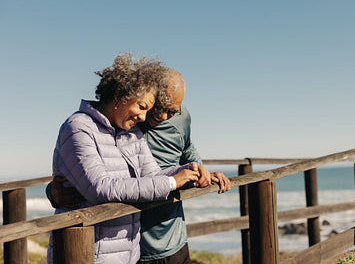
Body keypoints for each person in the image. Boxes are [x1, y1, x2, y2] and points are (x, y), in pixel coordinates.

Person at [49, 66, 231, 264]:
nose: (153, 117)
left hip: (137, 248)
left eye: (172, 111)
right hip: (94, 250)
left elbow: (159, 169)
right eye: (147, 107)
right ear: (121, 96)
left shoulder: (132, 130)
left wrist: (194, 173)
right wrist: (52, 192)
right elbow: (98, 186)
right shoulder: (81, 127)